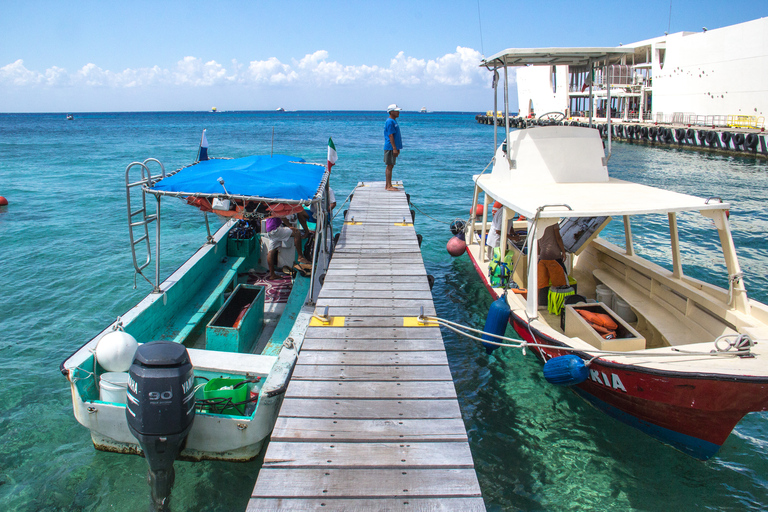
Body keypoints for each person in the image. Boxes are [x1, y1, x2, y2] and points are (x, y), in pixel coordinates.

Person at [263, 215, 311, 280]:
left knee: (271, 251)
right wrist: (290, 226)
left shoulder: (270, 207)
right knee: (296, 232)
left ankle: (272, 274)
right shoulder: (278, 206)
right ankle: (300, 257)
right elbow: (283, 217)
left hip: (269, 231)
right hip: (276, 230)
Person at [537, 223, 567, 291]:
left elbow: (537, 240)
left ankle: (540, 301)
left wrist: (538, 256)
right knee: (561, 284)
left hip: (542, 257)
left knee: (541, 285)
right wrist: (563, 252)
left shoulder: (538, 222)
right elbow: (558, 238)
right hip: (554, 255)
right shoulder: (553, 222)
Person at [384, 104, 403, 191]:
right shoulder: (390, 121)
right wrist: (394, 148)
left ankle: (389, 184)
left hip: (394, 147)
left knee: (391, 166)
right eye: (396, 111)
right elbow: (391, 135)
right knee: (389, 166)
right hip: (390, 147)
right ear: (391, 112)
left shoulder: (394, 121)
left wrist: (397, 148)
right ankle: (388, 186)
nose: (398, 112)